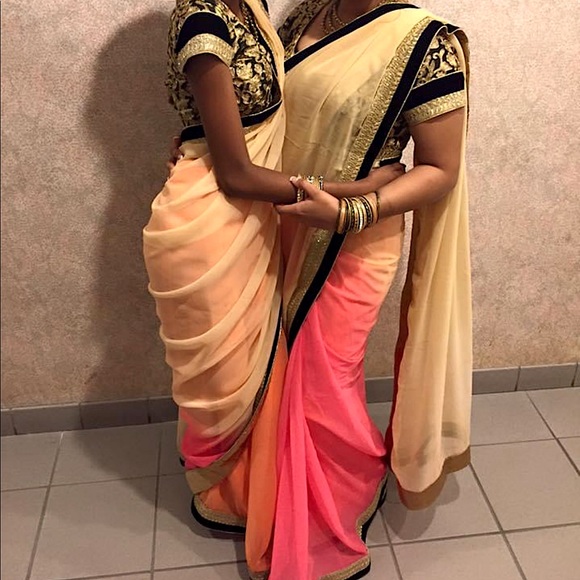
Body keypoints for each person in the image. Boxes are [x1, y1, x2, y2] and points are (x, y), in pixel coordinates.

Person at [157, 0, 472, 578]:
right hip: (278, 219)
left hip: (356, 236)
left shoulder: (429, 45)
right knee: (273, 364)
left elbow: (440, 169)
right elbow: (262, 110)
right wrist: (201, 143)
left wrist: (355, 208)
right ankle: (262, 488)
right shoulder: (305, 16)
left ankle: (329, 505)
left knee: (324, 377)